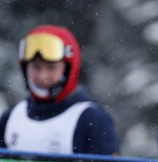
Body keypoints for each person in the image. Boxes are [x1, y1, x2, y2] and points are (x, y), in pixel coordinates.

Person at [0, 24, 119, 155]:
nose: (43, 76)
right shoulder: (11, 118)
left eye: (51, 68)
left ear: (68, 70)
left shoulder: (91, 119)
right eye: (36, 67)